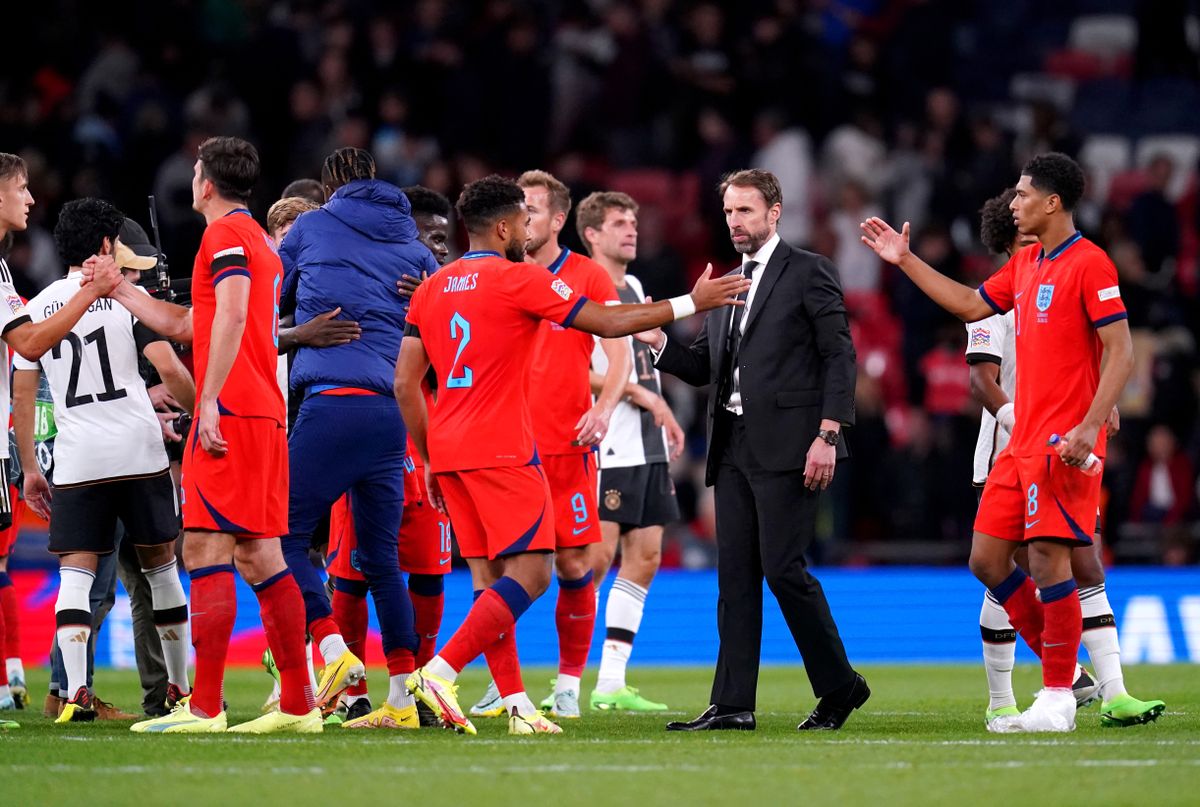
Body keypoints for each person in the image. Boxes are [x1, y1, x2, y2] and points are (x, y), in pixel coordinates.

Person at [396, 175, 748, 736]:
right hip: (505, 448)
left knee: (492, 583)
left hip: (450, 449)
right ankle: (439, 672)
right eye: (523, 221)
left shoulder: (432, 288)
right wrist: (690, 301)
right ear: (506, 226)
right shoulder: (517, 279)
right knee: (534, 574)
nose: (527, 230)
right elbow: (610, 323)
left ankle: (516, 705)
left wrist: (430, 455)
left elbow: (405, 384)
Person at [861, 152, 1136, 733]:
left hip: (1064, 440)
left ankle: (1057, 696)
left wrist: (1090, 423)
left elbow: (1121, 350)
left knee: (1049, 559)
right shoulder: (1029, 263)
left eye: (1022, 195)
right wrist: (905, 260)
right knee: (986, 560)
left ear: (1053, 202)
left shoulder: (1091, 263)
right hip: (1019, 442)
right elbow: (968, 304)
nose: (1013, 205)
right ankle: (1069, 675)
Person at [88, 136, 320, 734]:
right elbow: (193, 323)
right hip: (261, 412)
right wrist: (120, 289)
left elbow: (237, 314)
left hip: (235, 411)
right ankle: (299, 706)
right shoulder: (256, 240)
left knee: (204, 549)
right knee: (260, 553)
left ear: (207, 184)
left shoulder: (225, 237)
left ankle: (206, 707)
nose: (192, 179)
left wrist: (209, 398)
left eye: (195, 171)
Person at [641, 168, 868, 733]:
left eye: (745, 211)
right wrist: (661, 341)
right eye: (727, 212)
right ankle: (733, 703)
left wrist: (829, 434)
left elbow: (840, 357)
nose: (734, 222)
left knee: (783, 569)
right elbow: (703, 368)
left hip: (794, 444)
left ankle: (841, 687)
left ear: (774, 212)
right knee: (735, 577)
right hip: (734, 446)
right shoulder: (723, 287)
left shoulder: (809, 271)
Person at [968, 188, 1166, 729]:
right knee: (1001, 565)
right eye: (1023, 224)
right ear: (1014, 242)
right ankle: (1006, 697)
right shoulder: (998, 300)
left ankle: (1109, 689)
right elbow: (981, 378)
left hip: (1061, 440)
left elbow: (1099, 350)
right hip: (1008, 446)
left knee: (1084, 559)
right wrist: (1018, 420)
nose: (1030, 224)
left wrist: (1097, 406)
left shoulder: (1065, 271)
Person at [11, 198, 192, 724]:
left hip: (77, 457)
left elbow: (25, 396)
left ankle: (74, 695)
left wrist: (30, 467)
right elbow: (168, 368)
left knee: (75, 576)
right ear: (108, 246)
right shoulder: (126, 300)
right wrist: (196, 399)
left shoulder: (37, 307)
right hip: (138, 450)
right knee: (160, 569)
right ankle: (179, 691)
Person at [277, 147, 438, 730]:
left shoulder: (312, 226)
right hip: (391, 413)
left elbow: (271, 302)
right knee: (381, 560)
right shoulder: (417, 247)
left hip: (332, 404)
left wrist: (296, 333)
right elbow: (442, 320)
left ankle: (331, 648)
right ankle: (401, 696)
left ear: (328, 187)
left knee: (282, 537)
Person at [467, 170, 630, 721]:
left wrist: (603, 408)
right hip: (504, 448)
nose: (523, 218)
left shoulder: (585, 274)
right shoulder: (497, 275)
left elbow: (618, 344)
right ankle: (499, 684)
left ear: (559, 219)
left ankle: (566, 684)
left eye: (533, 209)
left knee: (572, 562)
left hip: (564, 445)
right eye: (519, 208)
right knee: (495, 569)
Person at [0, 153, 133, 729]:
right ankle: (56, 686)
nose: (30, 198)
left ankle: (52, 686)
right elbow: (27, 346)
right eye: (21, 187)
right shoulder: (65, 294)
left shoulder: (10, 273)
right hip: (105, 453)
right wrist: (92, 292)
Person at [325, 185, 454, 728]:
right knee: (352, 569)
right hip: (369, 433)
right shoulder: (362, 284)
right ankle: (350, 689)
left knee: (427, 570)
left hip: (429, 437)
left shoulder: (455, 294)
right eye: (434, 238)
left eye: (448, 240)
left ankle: (420, 683)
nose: (443, 251)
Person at [578, 191, 684, 712]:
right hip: (606, 440)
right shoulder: (579, 285)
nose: (632, 230)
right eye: (619, 222)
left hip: (646, 440)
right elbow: (571, 370)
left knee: (645, 557)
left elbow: (644, 361)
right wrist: (641, 395)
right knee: (593, 561)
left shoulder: (635, 286)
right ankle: (564, 678)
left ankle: (611, 682)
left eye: (634, 221)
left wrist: (661, 406)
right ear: (591, 234)